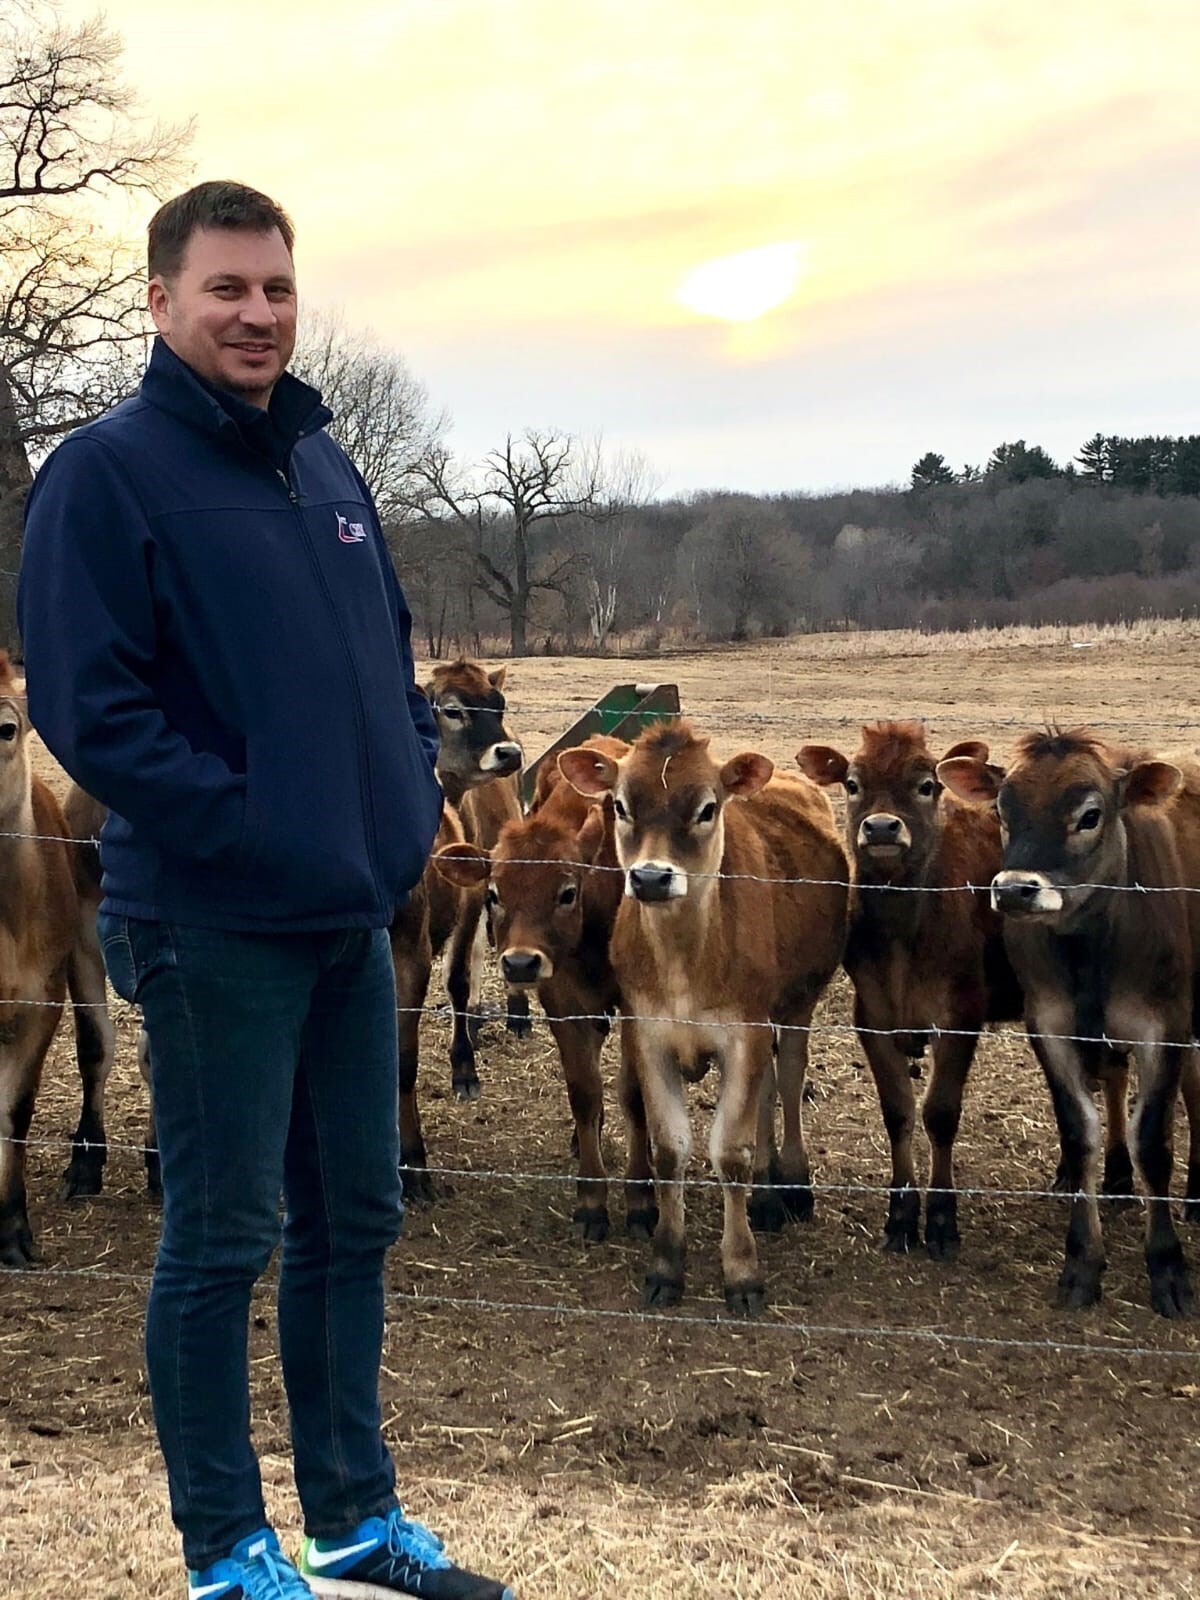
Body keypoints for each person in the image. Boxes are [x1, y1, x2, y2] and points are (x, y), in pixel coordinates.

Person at [18, 181, 515, 1600]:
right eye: (227, 288)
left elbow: (389, 669)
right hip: (210, 919)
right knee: (222, 1235)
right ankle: (227, 1549)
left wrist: (406, 795)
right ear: (160, 301)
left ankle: (355, 1519)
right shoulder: (106, 476)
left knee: (354, 1220)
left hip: (348, 920)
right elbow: (92, 712)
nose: (257, 314)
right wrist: (250, 826)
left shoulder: (325, 469)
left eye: (278, 290)